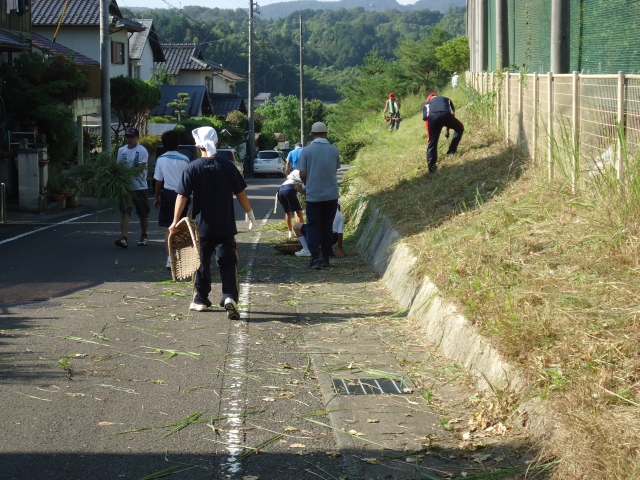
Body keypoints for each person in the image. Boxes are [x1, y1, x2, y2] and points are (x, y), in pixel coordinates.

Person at [169, 127, 256, 318]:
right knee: (227, 262)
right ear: (216, 142)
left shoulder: (192, 167)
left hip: (200, 227)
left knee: (200, 262)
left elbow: (182, 196)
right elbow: (240, 193)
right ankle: (229, 296)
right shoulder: (227, 166)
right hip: (225, 226)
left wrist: (175, 221)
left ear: (197, 145)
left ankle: (200, 299)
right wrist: (249, 213)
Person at [297, 122, 340, 270]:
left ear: (312, 134)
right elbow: (333, 170)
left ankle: (315, 259)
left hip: (313, 195)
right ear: (326, 134)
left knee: (313, 226)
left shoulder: (306, 151)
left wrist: (308, 183)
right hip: (331, 195)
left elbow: (302, 173)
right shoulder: (334, 150)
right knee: (327, 227)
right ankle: (326, 258)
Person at [153, 129, 190, 269]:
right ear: (178, 144)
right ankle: (183, 256)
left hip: (168, 195)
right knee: (182, 227)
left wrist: (156, 197)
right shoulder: (185, 159)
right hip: (183, 195)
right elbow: (189, 181)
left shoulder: (161, 159)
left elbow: (158, 180)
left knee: (169, 227)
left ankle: (170, 258)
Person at [115, 126, 150, 248]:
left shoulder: (142, 150)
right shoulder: (121, 150)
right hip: (126, 186)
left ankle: (144, 235)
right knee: (124, 212)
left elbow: (140, 167)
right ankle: (124, 237)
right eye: (127, 137)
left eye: (132, 137)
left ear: (137, 138)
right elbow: (118, 166)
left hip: (140, 187)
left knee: (143, 213)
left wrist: (126, 171)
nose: (129, 139)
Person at [422, 93, 464, 174]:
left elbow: (427, 120)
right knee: (459, 128)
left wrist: (430, 137)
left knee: (433, 142)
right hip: (446, 115)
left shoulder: (427, 104)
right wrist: (447, 130)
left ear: (429, 99)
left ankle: (432, 168)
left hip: (433, 118)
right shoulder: (446, 99)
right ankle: (451, 151)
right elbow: (452, 113)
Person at [277, 169, 305, 238]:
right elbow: (304, 186)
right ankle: (302, 231)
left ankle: (290, 232)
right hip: (289, 188)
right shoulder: (302, 172)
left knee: (287, 212)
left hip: (281, 190)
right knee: (298, 211)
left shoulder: (293, 172)